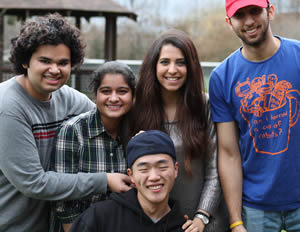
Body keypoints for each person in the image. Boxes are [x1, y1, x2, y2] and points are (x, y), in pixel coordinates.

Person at [0, 13, 128, 232]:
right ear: (25, 61)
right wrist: (104, 180)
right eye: (45, 61)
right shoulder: (8, 107)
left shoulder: (66, 97)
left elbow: (106, 117)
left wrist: (140, 131)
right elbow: (34, 183)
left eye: (63, 63)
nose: (55, 70)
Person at [209, 0, 300, 231]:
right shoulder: (222, 77)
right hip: (255, 207)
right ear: (229, 22)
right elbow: (229, 154)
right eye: (240, 15)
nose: (249, 21)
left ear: (270, 11)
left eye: (255, 11)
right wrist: (235, 220)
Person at [130, 29, 228, 232]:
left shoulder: (204, 105)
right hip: (154, 222)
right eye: (165, 62)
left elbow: (214, 169)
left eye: (181, 62)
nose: (172, 70)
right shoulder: (137, 109)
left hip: (203, 222)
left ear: (190, 67)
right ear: (153, 66)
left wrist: (202, 217)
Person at [51, 61, 135, 231]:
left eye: (122, 91)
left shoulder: (138, 132)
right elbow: (62, 201)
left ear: (133, 96)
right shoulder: (72, 131)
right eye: (105, 91)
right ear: (95, 95)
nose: (113, 98)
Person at [69, 130, 186, 232]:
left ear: (175, 169)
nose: (154, 177)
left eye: (162, 167)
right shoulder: (99, 217)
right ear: (131, 175)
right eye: (144, 169)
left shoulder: (184, 227)